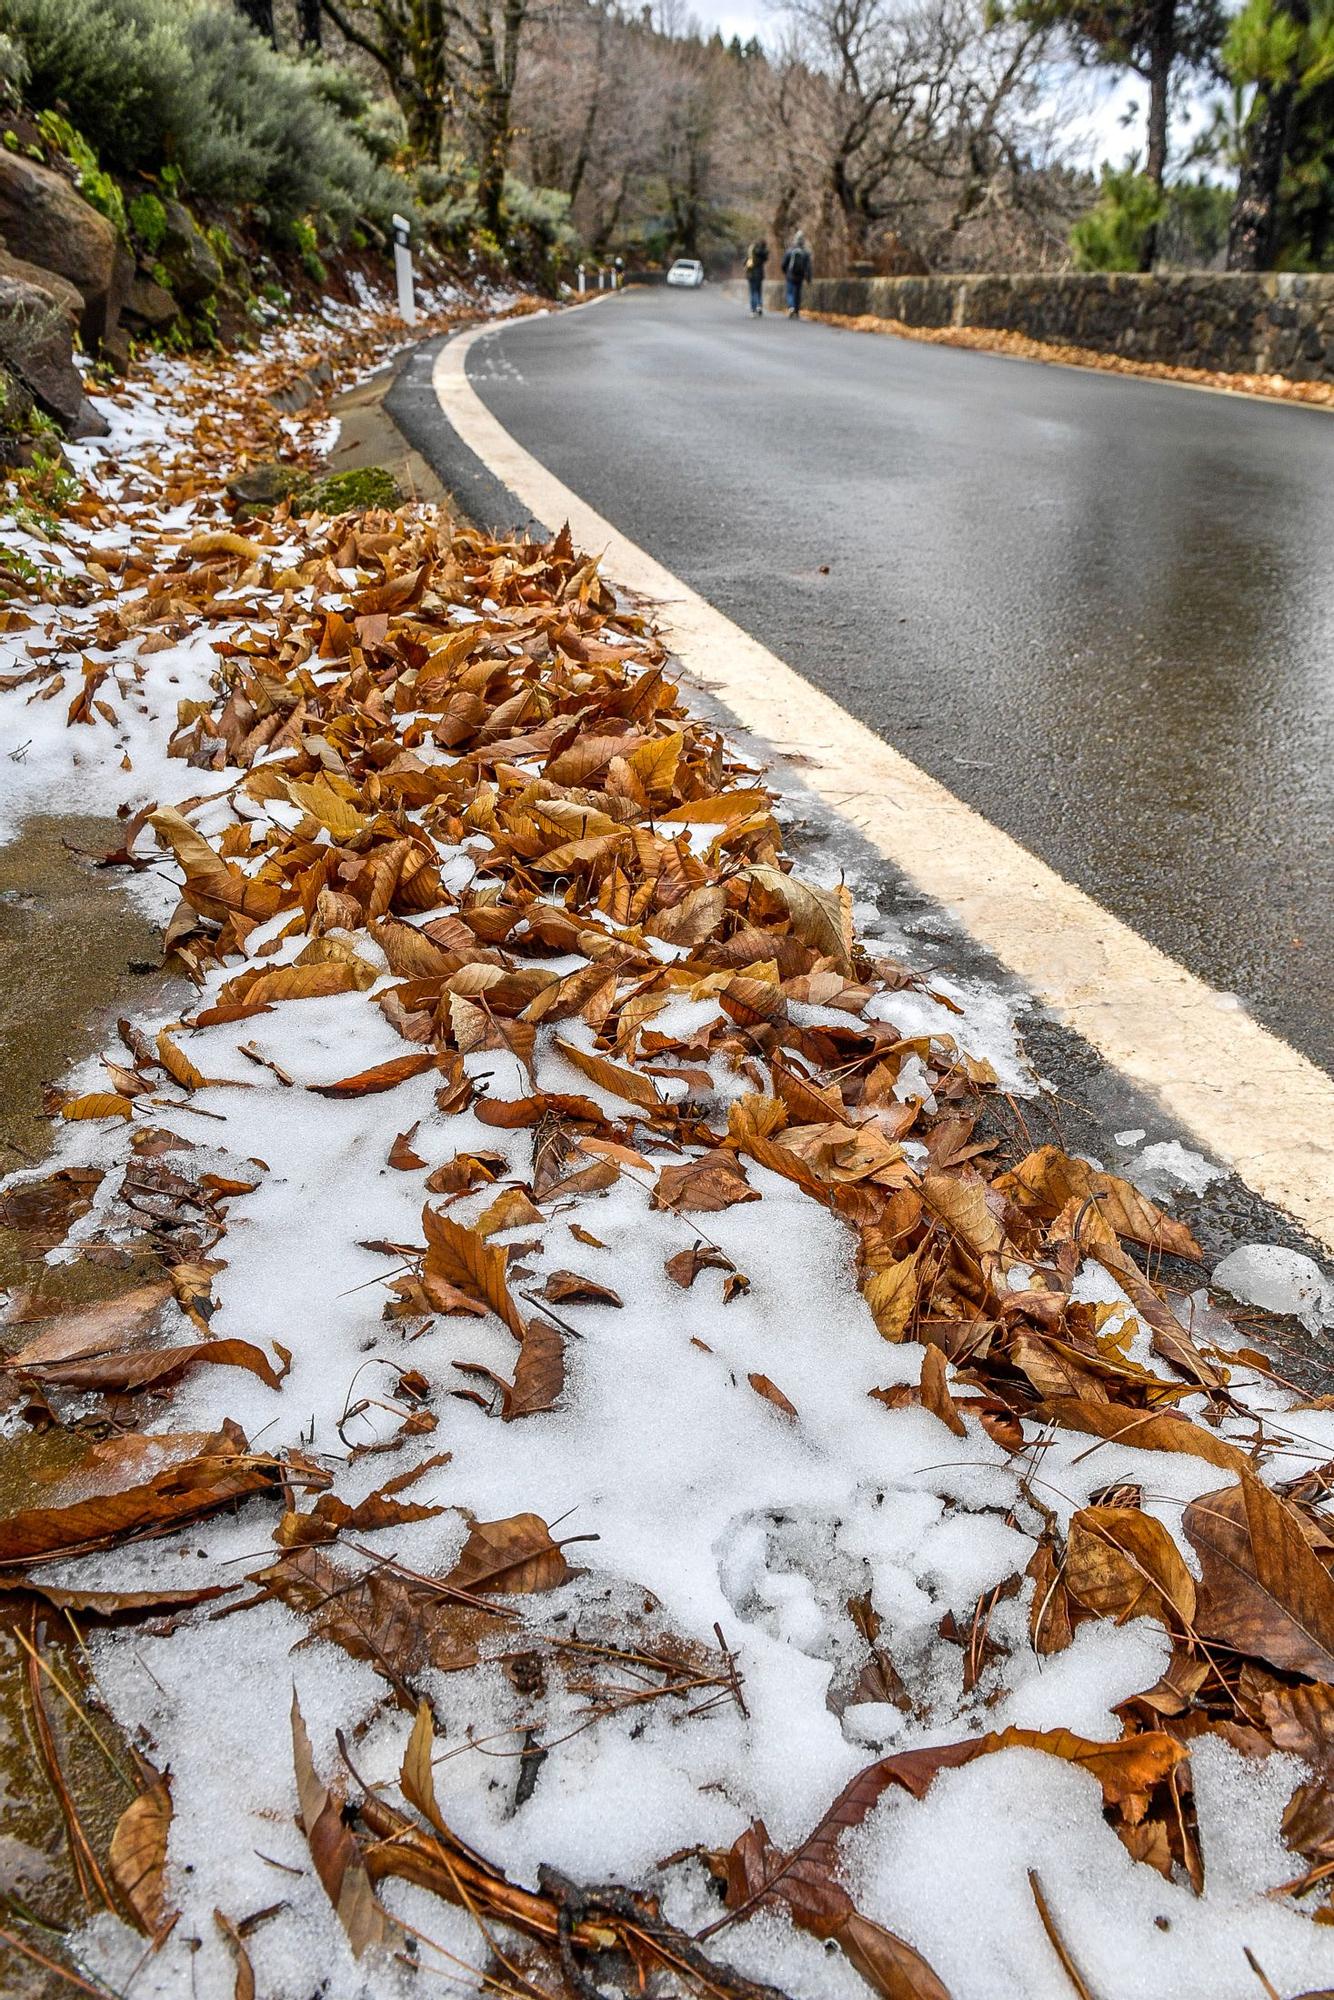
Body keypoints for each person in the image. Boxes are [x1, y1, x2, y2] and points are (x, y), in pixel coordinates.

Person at [781, 231, 812, 317]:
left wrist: (785, 272)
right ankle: (796, 310)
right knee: (797, 292)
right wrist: (808, 277)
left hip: (790, 275)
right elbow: (808, 266)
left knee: (790, 292)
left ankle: (791, 307)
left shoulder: (790, 250)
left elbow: (784, 263)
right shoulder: (805, 252)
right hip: (800, 276)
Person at [744, 237, 768, 316]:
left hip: (751, 273)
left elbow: (746, 262)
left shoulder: (752, 251)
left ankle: (753, 309)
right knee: (758, 290)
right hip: (760, 273)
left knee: (753, 291)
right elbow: (766, 258)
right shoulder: (763, 252)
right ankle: (759, 305)